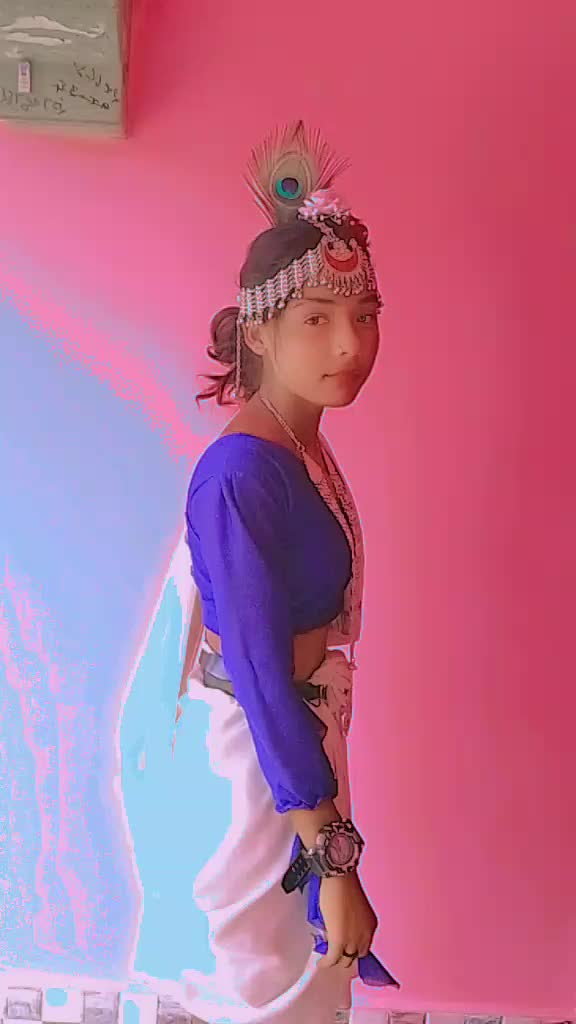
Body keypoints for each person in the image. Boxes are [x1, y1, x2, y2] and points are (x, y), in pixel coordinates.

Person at [176, 121, 399, 1024]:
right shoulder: (241, 474)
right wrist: (333, 860)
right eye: (317, 319)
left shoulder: (298, 447)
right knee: (271, 989)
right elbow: (264, 678)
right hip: (265, 766)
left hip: (301, 747)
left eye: (365, 315)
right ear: (259, 331)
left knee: (308, 985)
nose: (350, 343)